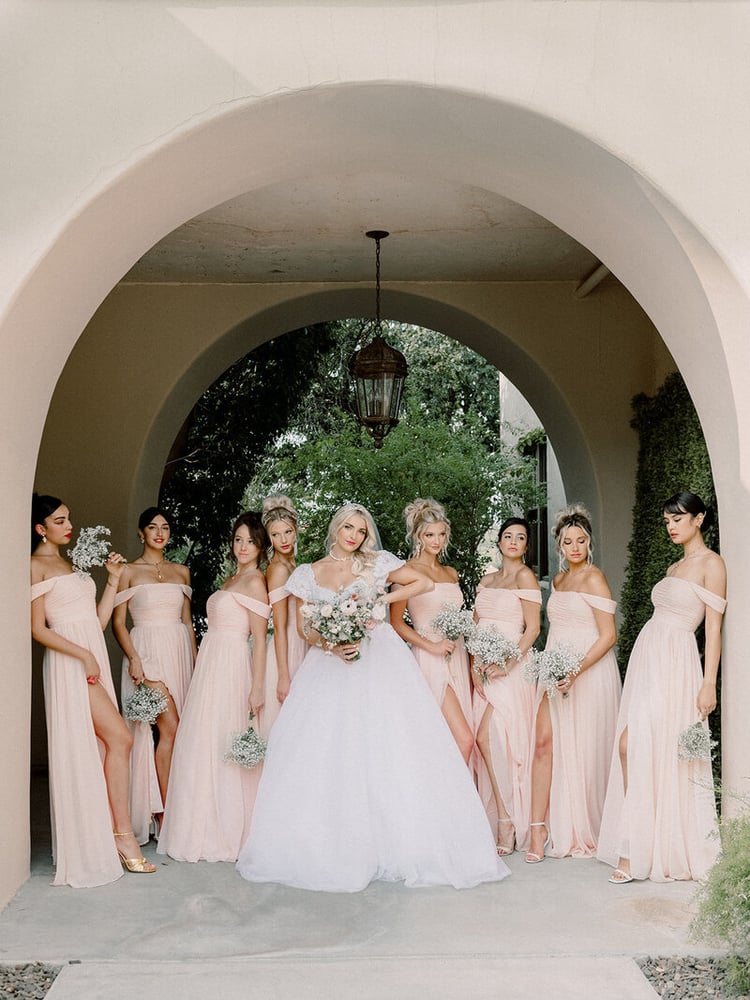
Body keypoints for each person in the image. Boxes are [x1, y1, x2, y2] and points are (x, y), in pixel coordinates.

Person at [237, 503, 509, 892]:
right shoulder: (307, 572)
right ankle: (336, 841)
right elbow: (302, 628)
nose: (354, 535)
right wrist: (331, 643)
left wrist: (375, 605)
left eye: (361, 531)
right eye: (348, 527)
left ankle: (399, 839)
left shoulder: (377, 563)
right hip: (329, 666)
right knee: (332, 751)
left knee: (390, 745)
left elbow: (423, 584)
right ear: (336, 528)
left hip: (380, 658)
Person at [597, 492, 726, 883]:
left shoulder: (712, 564)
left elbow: (715, 631)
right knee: (632, 745)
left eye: (678, 518)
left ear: (699, 519)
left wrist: (709, 683)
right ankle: (637, 843)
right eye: (667, 520)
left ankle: (635, 850)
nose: (671, 526)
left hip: (677, 663)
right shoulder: (673, 567)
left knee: (636, 746)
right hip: (650, 660)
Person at [30, 494, 155, 885]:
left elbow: (97, 621)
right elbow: (37, 628)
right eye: (60, 520)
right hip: (72, 664)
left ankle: (111, 833)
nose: (69, 526)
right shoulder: (34, 566)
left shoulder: (69, 563)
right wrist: (83, 656)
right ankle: (120, 836)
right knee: (120, 738)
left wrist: (114, 580)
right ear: (40, 528)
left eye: (69, 519)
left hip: (88, 656)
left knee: (108, 744)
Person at [157, 512, 270, 863]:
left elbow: (260, 641)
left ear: (260, 546)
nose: (243, 547)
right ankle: (200, 825)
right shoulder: (232, 577)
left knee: (226, 740)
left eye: (250, 541)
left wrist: (257, 687)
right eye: (238, 540)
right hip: (211, 663)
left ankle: (231, 831)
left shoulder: (255, 581)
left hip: (233, 664)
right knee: (203, 740)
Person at [526, 504, 620, 864]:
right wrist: (555, 668)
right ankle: (538, 827)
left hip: (588, 671)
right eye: (568, 542)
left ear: (589, 543)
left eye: (581, 541)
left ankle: (583, 825)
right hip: (555, 667)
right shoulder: (560, 580)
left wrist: (576, 670)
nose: (575, 547)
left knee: (583, 748)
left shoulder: (595, 577)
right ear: (559, 546)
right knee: (543, 743)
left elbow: (608, 635)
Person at [112, 506, 197, 843]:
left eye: (164, 527)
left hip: (178, 650)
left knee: (180, 733)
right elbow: (119, 623)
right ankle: (163, 813)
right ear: (140, 533)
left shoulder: (181, 572)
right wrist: (133, 658)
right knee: (169, 728)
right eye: (152, 527)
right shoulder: (129, 571)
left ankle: (179, 805)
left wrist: (196, 660)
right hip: (146, 651)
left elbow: (188, 622)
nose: (159, 533)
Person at [472, 517, 541, 856]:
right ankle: (498, 814)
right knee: (483, 740)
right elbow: (475, 626)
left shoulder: (525, 577)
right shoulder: (486, 580)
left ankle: (507, 819)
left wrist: (506, 663)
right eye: (508, 536)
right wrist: (475, 664)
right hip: (482, 669)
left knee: (495, 738)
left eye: (521, 537)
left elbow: (532, 629)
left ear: (526, 546)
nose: (513, 542)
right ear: (499, 541)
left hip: (511, 669)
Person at [390, 498, 474, 764]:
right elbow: (396, 622)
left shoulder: (451, 573)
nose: (436, 541)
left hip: (457, 656)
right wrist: (431, 645)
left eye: (441, 534)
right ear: (417, 536)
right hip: (430, 659)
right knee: (464, 740)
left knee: (449, 738)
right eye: (429, 535)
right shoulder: (407, 572)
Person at [258, 496, 306, 739]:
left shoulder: (294, 565)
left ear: (296, 530)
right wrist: (283, 675)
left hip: (302, 641)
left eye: (287, 532)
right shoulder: (277, 569)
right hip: (286, 649)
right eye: (275, 535)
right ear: (268, 538)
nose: (283, 540)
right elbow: (278, 626)